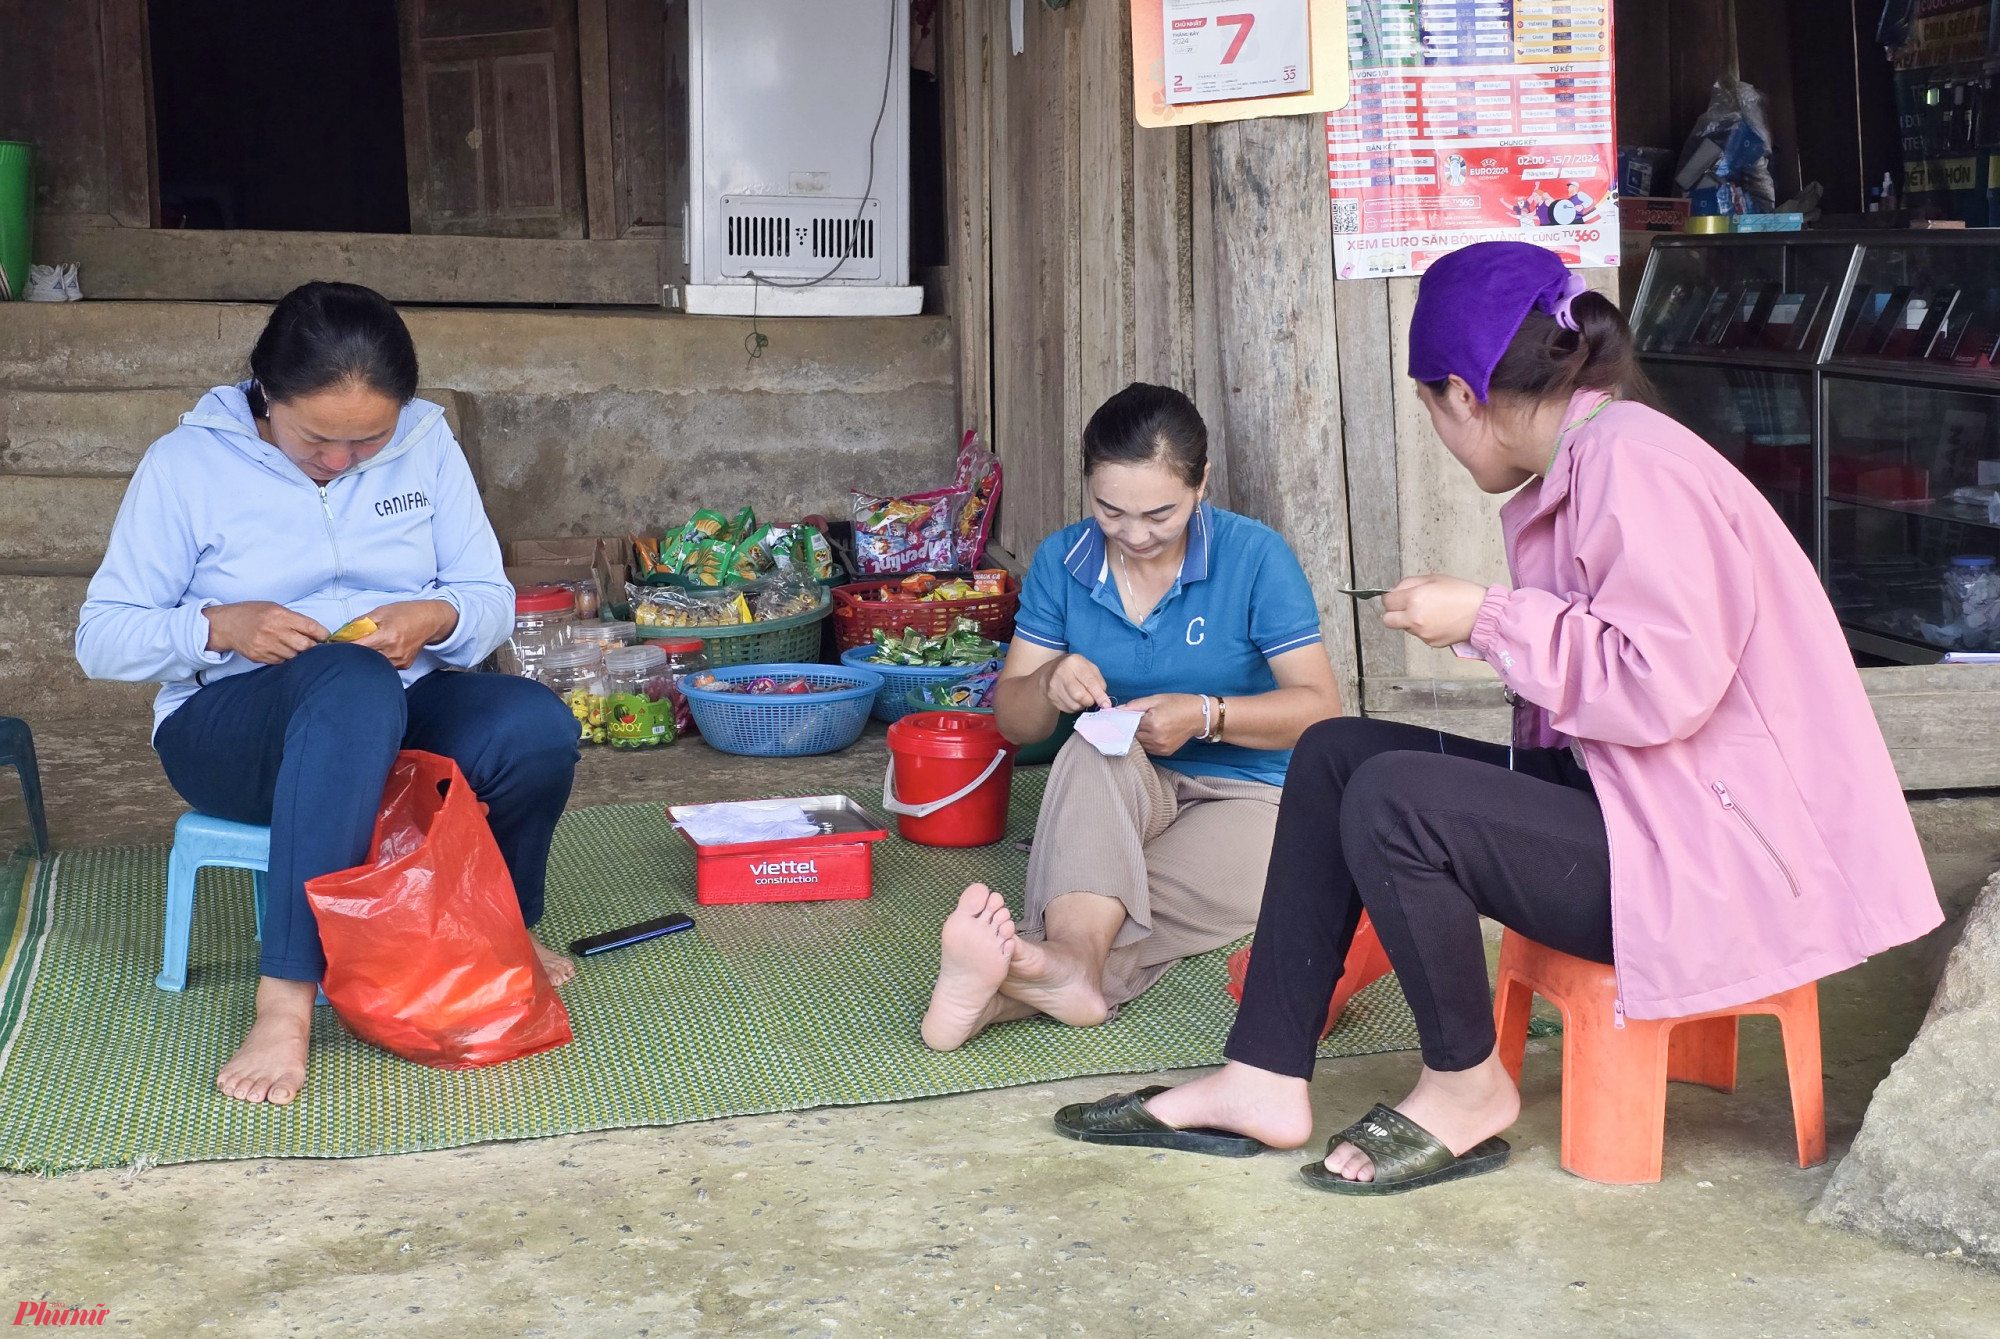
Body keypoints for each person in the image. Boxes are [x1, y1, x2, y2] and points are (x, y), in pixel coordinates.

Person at [1054, 242, 1942, 1192]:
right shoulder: (1595, 456)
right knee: (1340, 752)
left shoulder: (1632, 464)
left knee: (1396, 798)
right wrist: (1492, 624)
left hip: (1716, 857)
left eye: (1431, 406)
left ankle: (1468, 1086)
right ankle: (1264, 1073)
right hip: (1650, 813)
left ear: (1464, 396)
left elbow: (1664, 683)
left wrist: (1488, 616)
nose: (1439, 427)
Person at [76, 281, 580, 1107]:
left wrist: (439, 614)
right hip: (235, 727)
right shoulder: (186, 465)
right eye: (317, 439)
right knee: (349, 687)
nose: (342, 462)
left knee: (531, 725)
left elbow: (488, 598)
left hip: (391, 699)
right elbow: (101, 636)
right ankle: (284, 1001)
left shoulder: (427, 445)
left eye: (368, 440)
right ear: (267, 397)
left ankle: (504, 926)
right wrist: (217, 626)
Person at [919, 383, 1344, 1051]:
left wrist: (1206, 715)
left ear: (1202, 481)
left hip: (1258, 796)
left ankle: (1037, 979)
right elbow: (1015, 722)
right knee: (1089, 750)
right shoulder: (1063, 563)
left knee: (1126, 896)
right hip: (1119, 786)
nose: (1136, 534)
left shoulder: (1256, 557)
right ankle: (1065, 970)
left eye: (1160, 514)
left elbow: (1320, 710)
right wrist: (1049, 683)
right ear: (1087, 484)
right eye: (1110, 510)